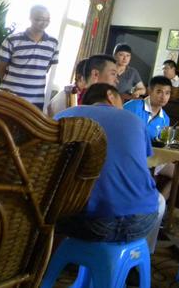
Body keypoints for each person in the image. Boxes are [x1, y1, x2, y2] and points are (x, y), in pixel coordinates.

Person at [54, 83, 165, 255]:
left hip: (89, 224)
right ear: (110, 96)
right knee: (158, 200)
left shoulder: (65, 116)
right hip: (142, 222)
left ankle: (58, 259)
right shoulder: (134, 120)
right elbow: (143, 162)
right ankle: (136, 259)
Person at [124, 75, 179, 199]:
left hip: (151, 157)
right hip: (129, 155)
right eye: (159, 91)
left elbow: (160, 142)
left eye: (167, 93)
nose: (163, 97)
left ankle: (159, 203)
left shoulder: (165, 118)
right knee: (149, 176)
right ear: (150, 91)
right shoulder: (133, 107)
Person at [0, 5, 59, 110]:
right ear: (30, 18)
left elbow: (46, 69)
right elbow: (0, 67)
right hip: (9, 96)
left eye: (47, 19)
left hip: (35, 100)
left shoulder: (53, 43)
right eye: (39, 19)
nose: (44, 22)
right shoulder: (12, 40)